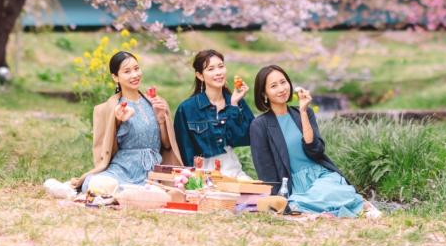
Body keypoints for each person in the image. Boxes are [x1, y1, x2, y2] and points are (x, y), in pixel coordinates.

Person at [250, 64, 364, 218]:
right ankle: (294, 204)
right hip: (294, 184)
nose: (282, 89)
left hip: (322, 177)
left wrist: (303, 111)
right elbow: (265, 169)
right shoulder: (260, 125)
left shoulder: (304, 112)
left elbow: (316, 150)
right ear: (264, 93)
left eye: (283, 82)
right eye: (274, 86)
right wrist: (276, 195)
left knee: (341, 192)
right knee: (330, 198)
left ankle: (298, 206)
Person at [69, 51, 182, 193]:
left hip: (152, 170)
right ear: (115, 77)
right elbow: (107, 149)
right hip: (122, 168)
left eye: (136, 69)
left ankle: (130, 193)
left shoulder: (156, 102)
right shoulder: (112, 107)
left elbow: (166, 145)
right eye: (127, 71)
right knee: (94, 182)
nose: (135, 75)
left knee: (162, 190)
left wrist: (161, 119)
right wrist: (117, 121)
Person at [173, 49, 254, 178]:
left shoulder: (235, 101)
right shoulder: (187, 109)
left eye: (221, 67)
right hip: (202, 176)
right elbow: (184, 149)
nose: (218, 72)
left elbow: (244, 138)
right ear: (200, 75)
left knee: (257, 196)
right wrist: (191, 180)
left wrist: (233, 105)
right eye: (211, 69)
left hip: (232, 172)